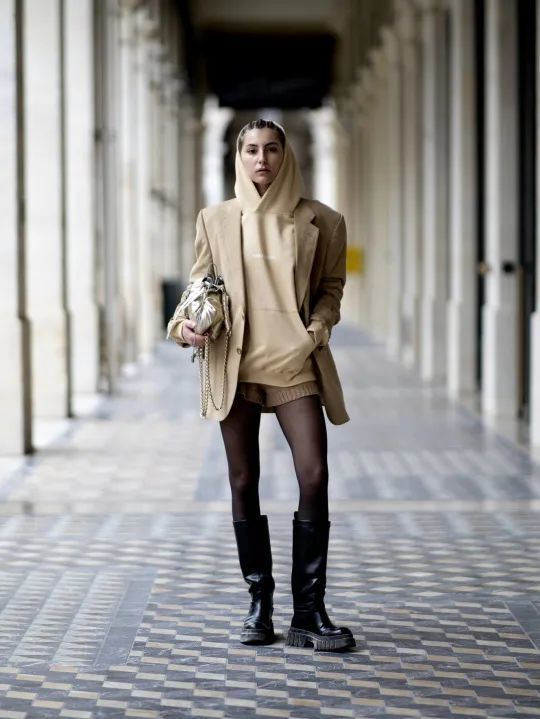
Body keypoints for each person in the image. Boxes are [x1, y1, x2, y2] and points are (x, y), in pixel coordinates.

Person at [170, 119, 355, 652]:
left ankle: (309, 612)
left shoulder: (323, 220)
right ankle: (259, 604)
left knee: (314, 474)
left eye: (272, 149)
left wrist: (316, 328)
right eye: (251, 150)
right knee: (243, 480)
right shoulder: (216, 219)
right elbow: (198, 287)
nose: (261, 159)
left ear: (285, 155)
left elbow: (331, 288)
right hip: (236, 367)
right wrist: (183, 327)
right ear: (240, 156)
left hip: (296, 364)